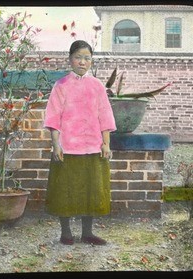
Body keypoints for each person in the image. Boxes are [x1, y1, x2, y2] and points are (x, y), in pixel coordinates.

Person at [44, 40, 116, 245]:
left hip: (93, 147)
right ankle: (65, 232)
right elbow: (53, 118)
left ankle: (87, 233)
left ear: (91, 61)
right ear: (70, 59)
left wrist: (106, 143)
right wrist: (56, 145)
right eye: (78, 57)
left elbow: (105, 116)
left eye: (87, 58)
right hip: (67, 148)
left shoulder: (97, 86)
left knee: (91, 189)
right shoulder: (61, 86)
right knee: (64, 189)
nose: (82, 62)